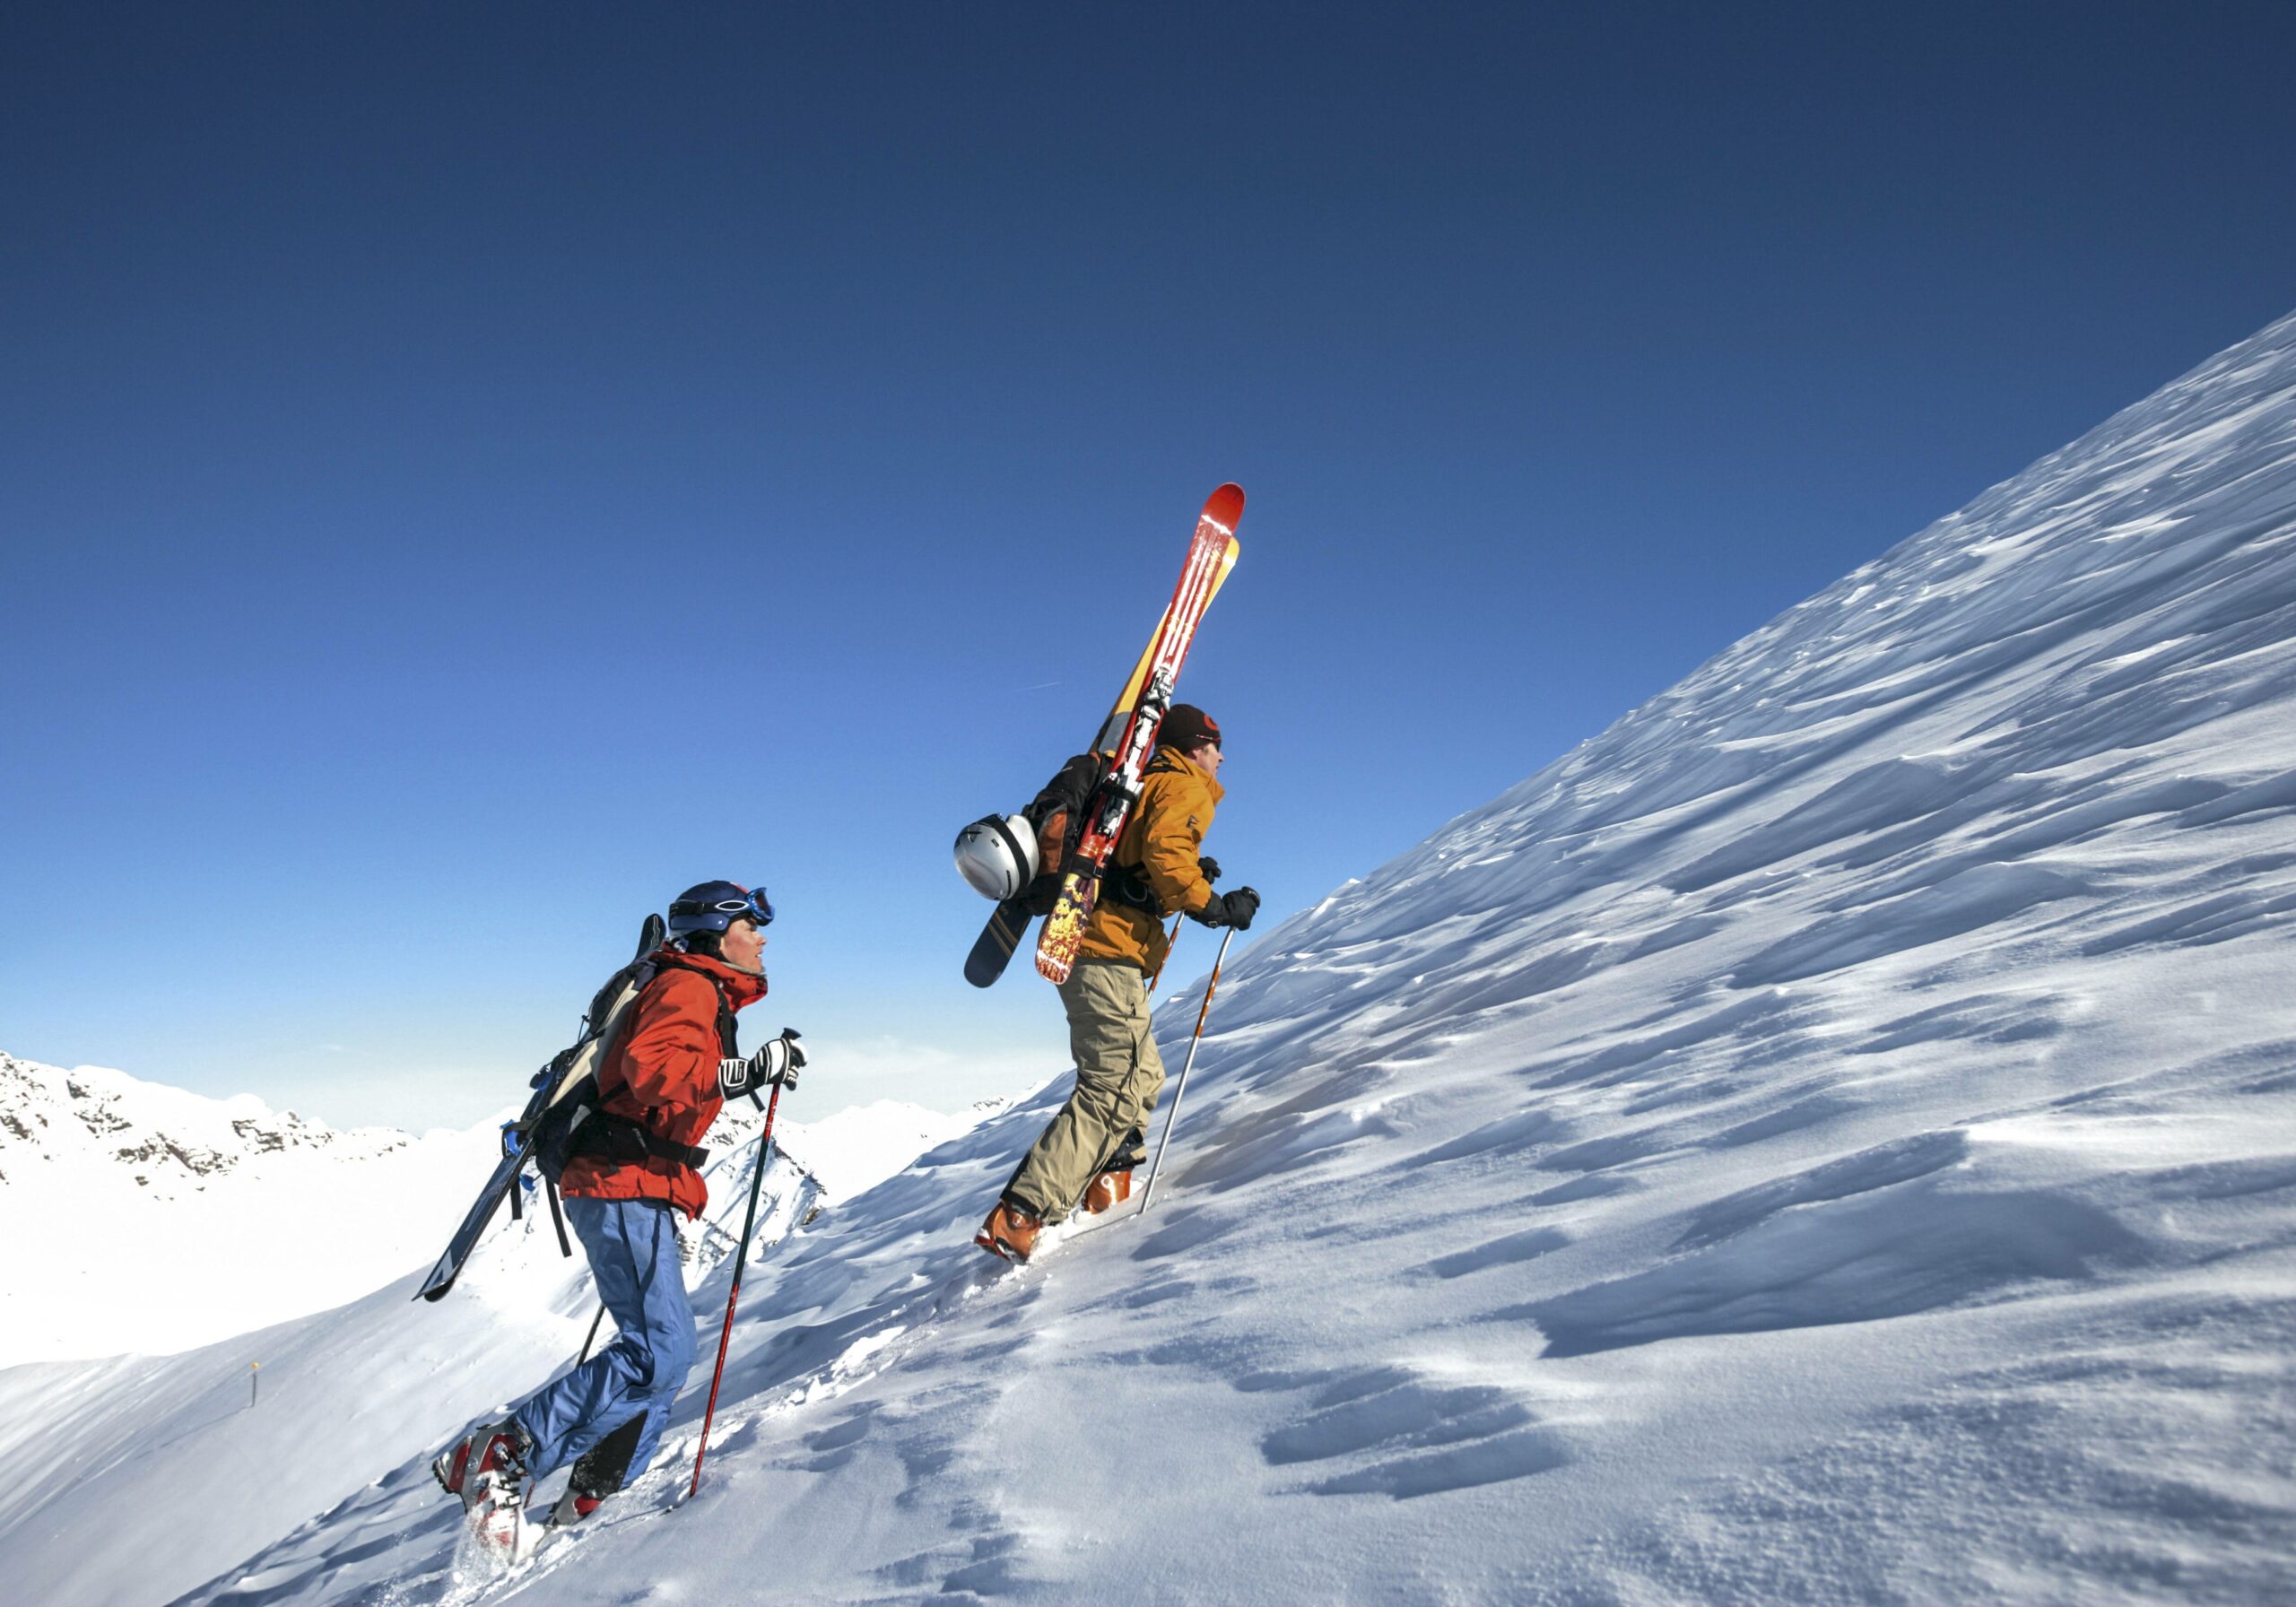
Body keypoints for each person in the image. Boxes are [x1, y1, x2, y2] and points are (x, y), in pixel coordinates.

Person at [433, 881, 805, 1533]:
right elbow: (650, 1067)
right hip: (621, 1178)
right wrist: (745, 1073)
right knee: (662, 1349)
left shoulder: (696, 989)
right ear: (720, 934)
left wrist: (750, 1070)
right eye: (752, 924)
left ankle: (585, 1488)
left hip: (632, 1178)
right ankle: (502, 1453)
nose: (763, 936)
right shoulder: (688, 985)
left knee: (666, 1351)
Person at [977, 704, 1258, 1261]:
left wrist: (1189, 878)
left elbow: (1136, 860)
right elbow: (1166, 854)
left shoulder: (1141, 787)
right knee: (1113, 1082)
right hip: (1106, 951)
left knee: (1141, 1072)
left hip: (1093, 945)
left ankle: (1109, 1180)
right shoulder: (1183, 785)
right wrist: (1214, 904)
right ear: (1196, 746)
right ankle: (1022, 1213)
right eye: (1216, 746)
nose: (1222, 758)